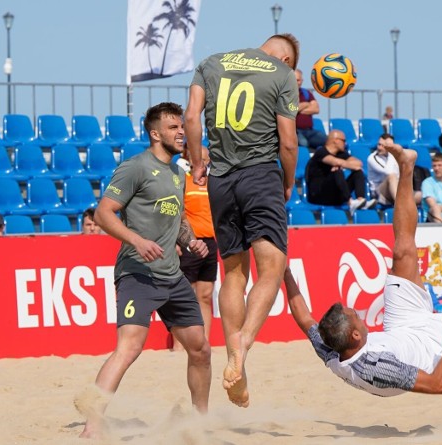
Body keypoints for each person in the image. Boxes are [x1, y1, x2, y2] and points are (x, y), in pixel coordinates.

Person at [284, 143, 442, 396]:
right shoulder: (376, 368)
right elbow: (438, 385)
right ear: (357, 335)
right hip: (431, 349)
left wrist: (284, 272)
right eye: (356, 316)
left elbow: (304, 318)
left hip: (402, 325)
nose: (360, 314)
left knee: (402, 250)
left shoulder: (331, 346)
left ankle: (406, 166)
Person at [79, 103, 211, 438]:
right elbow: (104, 213)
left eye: (182, 126)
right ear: (155, 134)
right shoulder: (135, 167)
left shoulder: (177, 173)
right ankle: (92, 424)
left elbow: (178, 220)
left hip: (172, 274)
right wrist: (136, 240)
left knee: (200, 349)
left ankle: (202, 420)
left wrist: (192, 240)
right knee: (130, 347)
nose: (181, 132)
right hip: (137, 272)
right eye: (172, 127)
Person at [184, 34, 300, 408]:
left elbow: (190, 117)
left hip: (220, 179)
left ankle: (237, 361)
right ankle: (244, 342)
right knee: (273, 265)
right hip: (260, 175)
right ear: (284, 57)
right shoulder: (281, 74)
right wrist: (287, 181)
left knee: (233, 273)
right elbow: (288, 142)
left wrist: (199, 163)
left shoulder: (212, 62)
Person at [172, 145, 218, 351]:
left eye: (206, 159)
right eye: (200, 159)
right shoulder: (183, 182)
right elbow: (175, 215)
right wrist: (175, 241)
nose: (204, 163)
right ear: (190, 160)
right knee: (186, 295)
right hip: (190, 242)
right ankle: (179, 346)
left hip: (211, 242)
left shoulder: (212, 184)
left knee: (206, 296)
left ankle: (204, 341)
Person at [305, 129, 375, 214]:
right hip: (319, 196)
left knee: (358, 172)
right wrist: (342, 164)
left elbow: (359, 163)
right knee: (337, 170)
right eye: (343, 141)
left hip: (336, 196)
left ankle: (361, 201)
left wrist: (344, 164)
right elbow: (335, 162)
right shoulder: (321, 152)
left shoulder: (341, 154)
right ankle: (350, 202)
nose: (345, 143)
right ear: (335, 140)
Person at [295, 69, 327, 151]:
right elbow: (290, 110)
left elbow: (316, 109)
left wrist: (299, 109)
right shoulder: (285, 94)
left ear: (302, 81)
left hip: (309, 131)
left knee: (328, 141)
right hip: (295, 131)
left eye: (298, 80)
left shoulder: (306, 93)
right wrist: (307, 104)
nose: (296, 82)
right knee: (303, 144)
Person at [367, 133, 400, 205]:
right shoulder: (372, 158)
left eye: (383, 146)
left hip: (396, 189)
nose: (380, 148)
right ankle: (399, 205)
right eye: (379, 144)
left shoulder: (395, 156)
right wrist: (391, 152)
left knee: (420, 195)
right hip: (379, 193)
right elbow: (389, 172)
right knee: (392, 176)